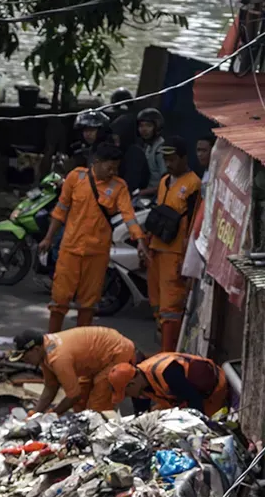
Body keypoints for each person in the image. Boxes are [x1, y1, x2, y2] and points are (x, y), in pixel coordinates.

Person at [39, 143, 141, 332]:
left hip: (97, 253)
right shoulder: (76, 177)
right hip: (70, 248)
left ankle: (81, 345)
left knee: (88, 304)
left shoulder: (119, 186)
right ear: (97, 162)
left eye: (116, 167)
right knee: (59, 300)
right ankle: (51, 343)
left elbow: (129, 215)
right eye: (109, 167)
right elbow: (61, 209)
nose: (113, 171)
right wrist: (48, 238)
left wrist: (140, 240)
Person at [146, 136, 202, 351]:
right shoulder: (164, 181)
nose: (169, 164)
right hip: (157, 250)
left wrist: (187, 261)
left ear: (183, 158)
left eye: (173, 159)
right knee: (157, 304)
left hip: (175, 253)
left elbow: (193, 224)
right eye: (166, 159)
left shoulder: (193, 184)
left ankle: (167, 358)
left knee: (171, 308)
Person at [13, 327, 138, 414]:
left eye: (25, 357)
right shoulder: (45, 350)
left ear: (35, 349)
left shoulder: (58, 358)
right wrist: (36, 413)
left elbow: (74, 395)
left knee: (97, 407)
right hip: (97, 356)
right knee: (81, 402)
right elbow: (51, 386)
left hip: (116, 352)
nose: (25, 361)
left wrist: (52, 414)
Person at [108, 353, 230, 417]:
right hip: (179, 397)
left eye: (127, 393)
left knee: (208, 427)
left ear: (131, 384)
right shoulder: (139, 384)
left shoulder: (167, 372)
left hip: (211, 392)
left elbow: (195, 403)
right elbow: (141, 414)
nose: (129, 397)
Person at [110, 128, 150, 196]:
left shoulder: (135, 153)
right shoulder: (118, 152)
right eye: (114, 140)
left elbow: (132, 182)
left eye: (118, 140)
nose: (116, 144)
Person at [137, 108, 167, 194]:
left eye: (148, 126)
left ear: (157, 127)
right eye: (141, 126)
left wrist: (142, 192)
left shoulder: (160, 149)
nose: (144, 129)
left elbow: (166, 182)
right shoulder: (148, 147)